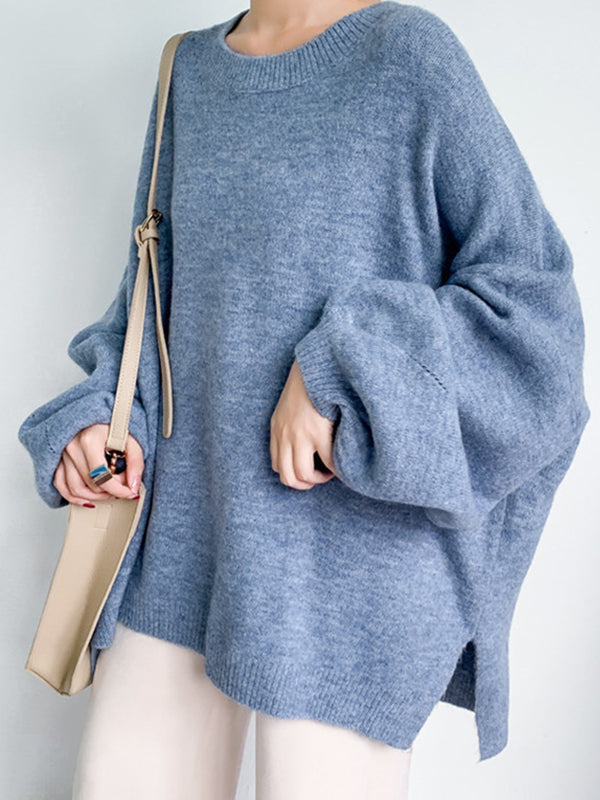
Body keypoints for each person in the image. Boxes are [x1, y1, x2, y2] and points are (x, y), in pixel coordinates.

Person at [18, 1, 590, 798]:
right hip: (181, 550)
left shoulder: (408, 56)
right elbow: (152, 302)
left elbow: (535, 312)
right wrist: (101, 420)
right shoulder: (187, 70)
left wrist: (342, 368)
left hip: (346, 580)